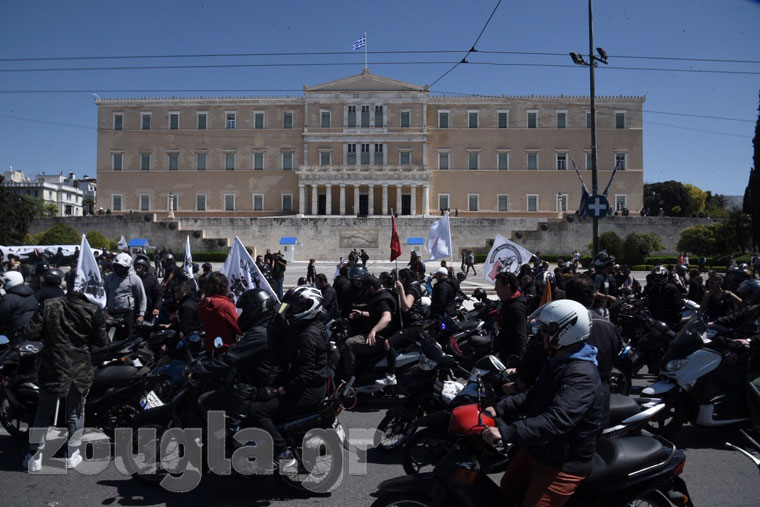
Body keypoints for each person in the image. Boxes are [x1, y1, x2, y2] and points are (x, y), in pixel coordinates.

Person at [481, 299, 603, 507]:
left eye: (546, 330)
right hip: (541, 448)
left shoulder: (581, 375)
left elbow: (557, 420)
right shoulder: (559, 360)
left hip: (563, 462)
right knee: (508, 488)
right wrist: (499, 408)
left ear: (565, 333)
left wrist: (506, 432)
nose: (540, 334)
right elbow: (533, 394)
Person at [21, 287, 108, 471]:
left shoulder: (48, 305)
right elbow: (102, 341)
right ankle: (72, 454)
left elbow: (30, 332)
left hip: (52, 367)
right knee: (75, 412)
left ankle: (34, 455)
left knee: (44, 410)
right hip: (79, 370)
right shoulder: (93, 310)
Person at [249, 286, 330, 464]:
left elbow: (305, 375)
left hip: (308, 392)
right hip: (313, 386)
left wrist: (279, 390)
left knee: (257, 410)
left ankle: (282, 451)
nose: (294, 309)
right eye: (293, 306)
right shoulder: (312, 326)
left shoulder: (308, 336)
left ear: (311, 307)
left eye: (298, 306)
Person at [565, 274, 622, 426]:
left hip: (567, 404)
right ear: (593, 297)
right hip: (599, 403)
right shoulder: (608, 327)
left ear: (566, 296)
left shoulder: (560, 326)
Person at [712, 280, 760, 433]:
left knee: (752, 383)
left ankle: (758, 422)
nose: (745, 296)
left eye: (748, 294)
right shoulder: (753, 309)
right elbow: (734, 318)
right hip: (749, 353)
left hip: (757, 359)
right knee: (721, 369)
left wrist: (749, 340)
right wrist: (713, 323)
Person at [342, 275, 398, 380]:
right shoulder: (380, 295)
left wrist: (374, 330)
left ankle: (349, 377)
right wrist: (361, 313)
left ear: (371, 288)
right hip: (378, 333)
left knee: (349, 343)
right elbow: (376, 314)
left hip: (382, 336)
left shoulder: (382, 300)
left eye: (366, 289)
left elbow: (387, 317)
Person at [376, 268, 426, 386]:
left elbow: (406, 307)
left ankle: (391, 375)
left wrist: (401, 290)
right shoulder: (411, 287)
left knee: (388, 342)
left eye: (399, 278)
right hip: (410, 324)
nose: (397, 280)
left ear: (404, 279)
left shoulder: (412, 289)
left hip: (414, 325)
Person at [104, 253, 147, 340]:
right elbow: (104, 294)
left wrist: (141, 314)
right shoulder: (109, 277)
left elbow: (142, 298)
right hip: (111, 314)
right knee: (107, 338)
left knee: (126, 339)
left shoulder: (135, 278)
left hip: (127, 314)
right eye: (117, 267)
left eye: (121, 267)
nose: (118, 269)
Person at [198, 272, 241, 352]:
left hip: (210, 347)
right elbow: (239, 328)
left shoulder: (203, 304)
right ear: (224, 287)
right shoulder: (226, 306)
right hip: (227, 348)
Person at [493, 271, 528, 368]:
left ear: (507, 287)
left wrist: (518, 365)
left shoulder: (516, 309)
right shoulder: (505, 302)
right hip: (502, 351)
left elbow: (521, 337)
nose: (495, 289)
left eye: (498, 286)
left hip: (509, 358)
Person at [0, 271, 39, 338]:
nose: (2, 286)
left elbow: (1, 317)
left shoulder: (9, 298)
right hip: (30, 332)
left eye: (3, 283)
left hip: (13, 334)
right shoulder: (32, 296)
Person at [644, 265, 682, 330]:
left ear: (665, 276)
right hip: (655, 319)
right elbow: (646, 299)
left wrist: (675, 319)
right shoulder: (652, 289)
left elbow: (678, 304)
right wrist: (635, 304)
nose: (658, 278)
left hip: (669, 320)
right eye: (656, 277)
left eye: (660, 277)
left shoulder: (672, 288)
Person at [134, 256, 163, 323]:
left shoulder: (152, 279)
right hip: (134, 310)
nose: (137, 270)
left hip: (148, 310)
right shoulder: (133, 278)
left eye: (139, 267)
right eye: (135, 267)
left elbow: (159, 295)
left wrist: (156, 308)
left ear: (144, 268)